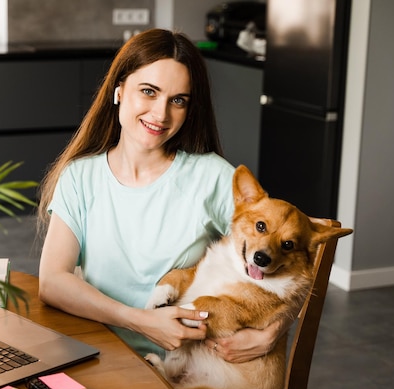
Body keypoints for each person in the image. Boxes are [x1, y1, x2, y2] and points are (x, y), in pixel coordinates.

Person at [37, 29, 290, 361]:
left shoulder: (212, 177)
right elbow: (52, 281)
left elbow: (289, 263)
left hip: (187, 366)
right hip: (100, 356)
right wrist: (141, 321)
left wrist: (273, 332)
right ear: (119, 91)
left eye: (178, 100)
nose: (161, 114)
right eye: (148, 92)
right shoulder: (80, 177)